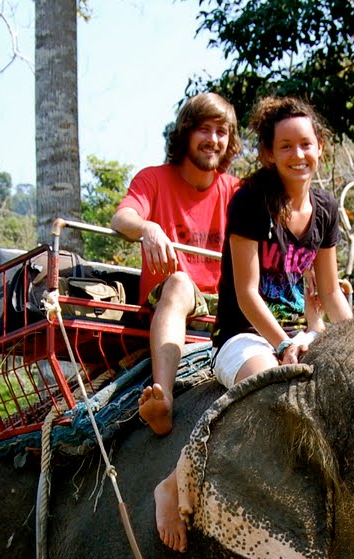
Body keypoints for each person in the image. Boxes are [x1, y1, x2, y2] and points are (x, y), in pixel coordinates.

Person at [154, 96, 354, 552]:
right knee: (268, 388)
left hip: (300, 333)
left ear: (320, 146)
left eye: (306, 144)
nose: (298, 155)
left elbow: (331, 291)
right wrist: (284, 344)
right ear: (268, 153)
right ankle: (171, 481)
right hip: (245, 335)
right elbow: (246, 293)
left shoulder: (323, 209)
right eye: (286, 147)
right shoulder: (250, 202)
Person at [110, 92, 242, 435]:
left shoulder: (236, 191)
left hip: (228, 303)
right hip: (177, 299)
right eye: (204, 129)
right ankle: (163, 397)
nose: (213, 140)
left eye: (222, 131)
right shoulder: (153, 179)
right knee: (181, 282)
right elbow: (122, 218)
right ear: (185, 133)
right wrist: (148, 227)